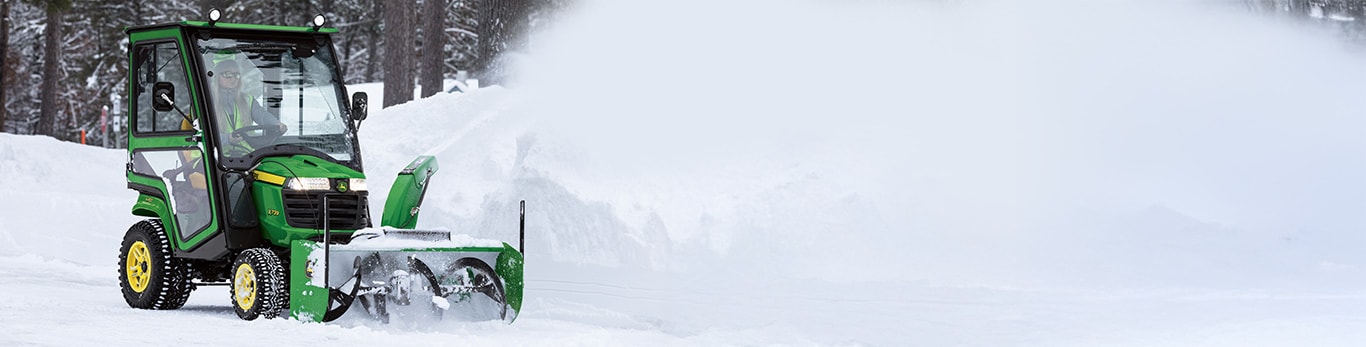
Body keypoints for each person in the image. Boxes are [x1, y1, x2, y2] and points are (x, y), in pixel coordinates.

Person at [210, 57, 286, 155]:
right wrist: (227, 139)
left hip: (246, 158)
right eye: (228, 74)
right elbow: (203, 135)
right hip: (215, 159)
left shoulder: (247, 100)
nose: (233, 79)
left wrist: (276, 123)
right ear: (217, 76)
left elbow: (261, 115)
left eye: (237, 75)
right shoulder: (207, 102)